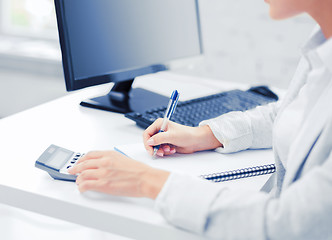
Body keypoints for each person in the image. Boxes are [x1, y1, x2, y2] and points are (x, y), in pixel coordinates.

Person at [69, 0, 332, 239]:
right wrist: (205, 135)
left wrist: (146, 180)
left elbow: (289, 226)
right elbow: (290, 111)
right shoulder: (322, 43)